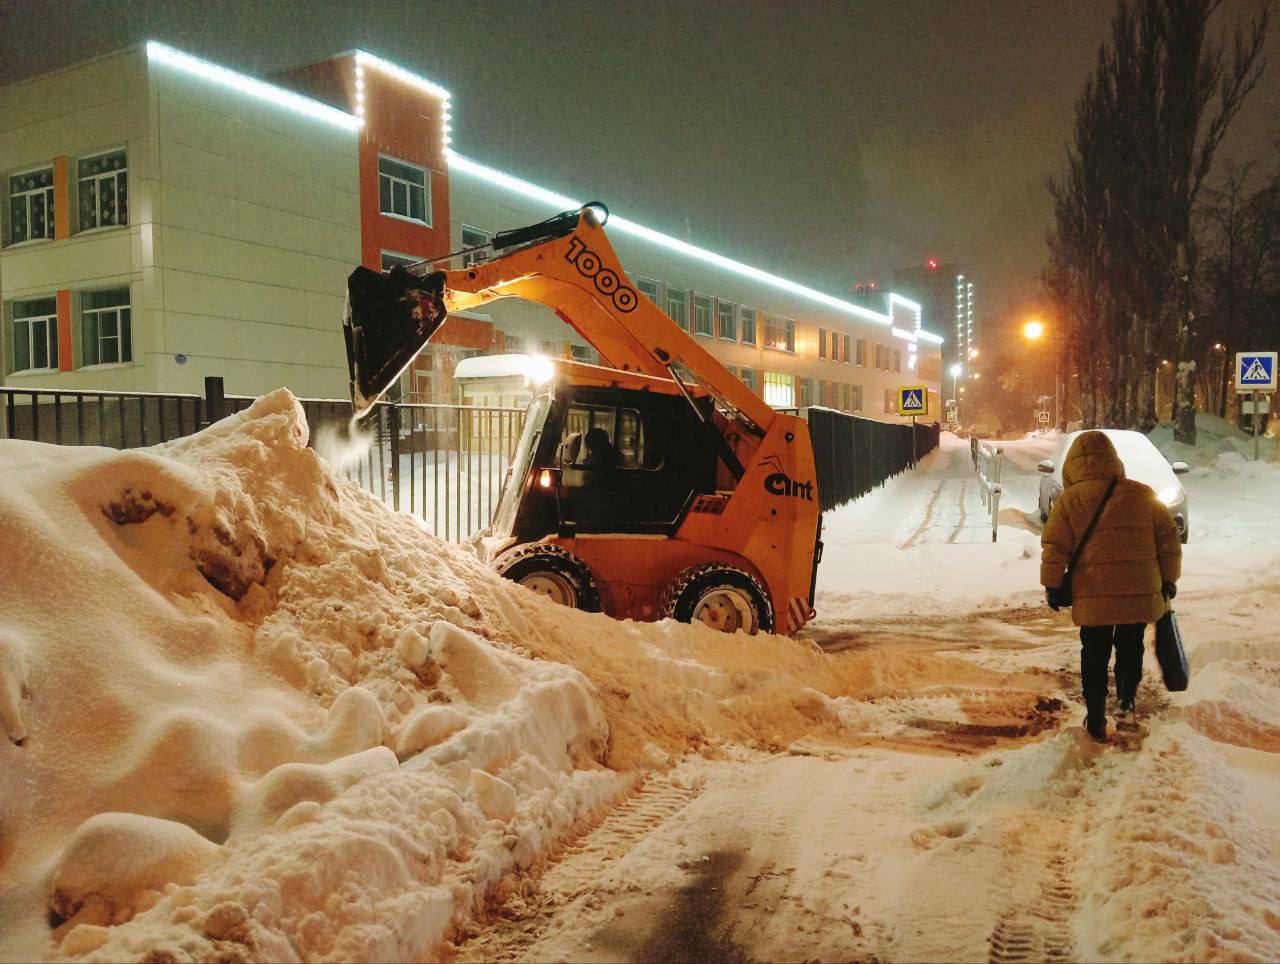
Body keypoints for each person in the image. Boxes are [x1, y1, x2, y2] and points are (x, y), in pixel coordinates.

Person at [1041, 431, 1181, 742]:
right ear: (1113, 460)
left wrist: (1052, 585)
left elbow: (1054, 547)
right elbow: (1168, 541)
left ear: (1073, 466)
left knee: (1094, 653)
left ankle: (1094, 717)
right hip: (1139, 589)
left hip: (1093, 591)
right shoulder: (1142, 494)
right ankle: (1126, 702)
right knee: (1131, 648)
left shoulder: (1070, 501)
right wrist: (1169, 579)